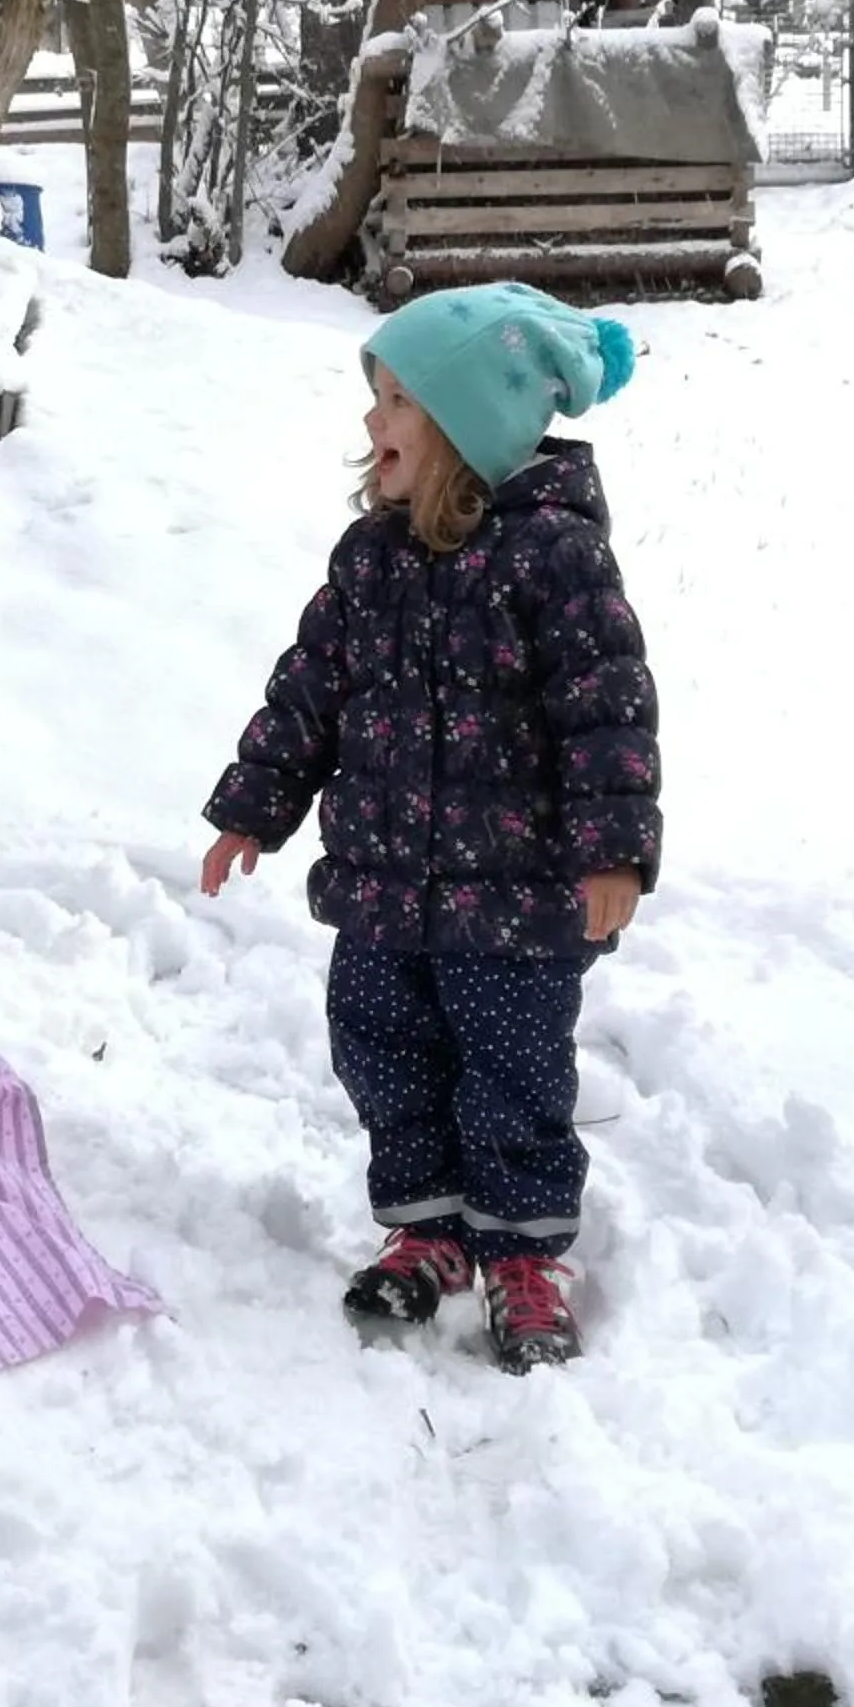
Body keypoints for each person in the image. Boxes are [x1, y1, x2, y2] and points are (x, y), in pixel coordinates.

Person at [200, 282, 662, 1372]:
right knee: (382, 1050)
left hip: (516, 899)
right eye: (379, 398)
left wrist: (613, 851)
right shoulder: (369, 562)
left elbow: (607, 710)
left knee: (510, 1069)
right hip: (383, 889)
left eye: (400, 399)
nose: (374, 422)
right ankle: (429, 1227)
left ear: (469, 425)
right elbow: (309, 692)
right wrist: (255, 807)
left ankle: (521, 1249)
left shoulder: (555, 557)